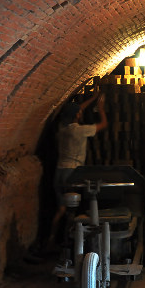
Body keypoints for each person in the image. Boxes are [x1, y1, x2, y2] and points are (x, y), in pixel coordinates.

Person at [48, 91, 108, 251]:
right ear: (76, 116)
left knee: (61, 208)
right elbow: (103, 125)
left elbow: (75, 110)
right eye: (79, 112)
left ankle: (51, 240)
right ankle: (68, 243)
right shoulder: (80, 130)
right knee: (72, 210)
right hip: (72, 173)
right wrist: (101, 108)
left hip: (59, 172)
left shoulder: (62, 128)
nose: (81, 113)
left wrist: (92, 98)